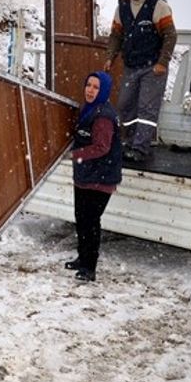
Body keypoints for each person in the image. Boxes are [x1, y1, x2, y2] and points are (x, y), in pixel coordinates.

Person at [103, 0, 177, 162]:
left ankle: (141, 148)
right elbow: (116, 35)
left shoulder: (158, 6)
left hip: (153, 67)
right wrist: (110, 56)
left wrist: (162, 63)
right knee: (125, 104)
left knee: (146, 108)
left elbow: (170, 36)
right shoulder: (123, 8)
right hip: (131, 66)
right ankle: (128, 142)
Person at [64, 71, 122, 282]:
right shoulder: (88, 110)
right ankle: (82, 258)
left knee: (91, 222)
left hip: (101, 178)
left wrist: (75, 155)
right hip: (86, 175)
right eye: (88, 85)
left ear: (103, 91)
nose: (90, 90)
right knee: (81, 218)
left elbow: (102, 147)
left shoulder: (103, 116)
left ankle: (90, 267)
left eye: (96, 87)